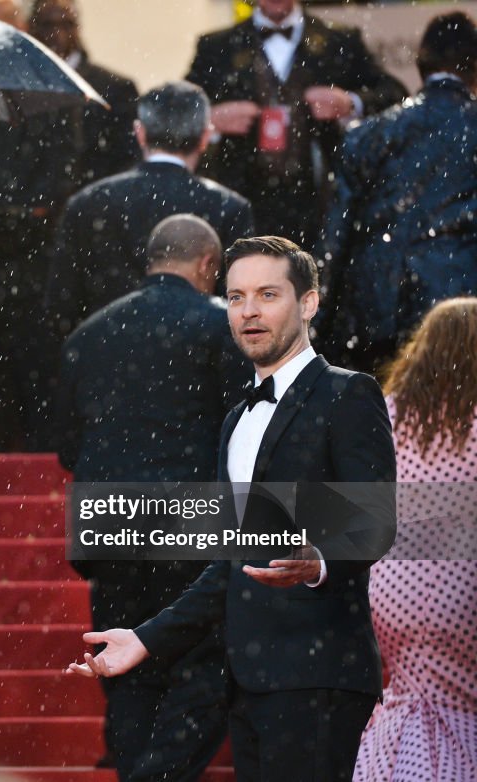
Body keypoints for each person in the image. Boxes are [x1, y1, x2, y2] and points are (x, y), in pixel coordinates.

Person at [70, 236, 397, 782]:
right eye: (237, 296)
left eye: (268, 294)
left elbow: (374, 519)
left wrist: (318, 559)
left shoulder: (348, 394)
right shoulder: (234, 422)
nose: (249, 310)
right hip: (247, 680)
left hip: (317, 677)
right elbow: (229, 565)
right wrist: (146, 638)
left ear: (308, 303)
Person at [55, 215, 249, 781]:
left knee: (124, 666)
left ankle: (138, 769)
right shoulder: (223, 327)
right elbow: (243, 433)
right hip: (190, 519)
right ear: (209, 266)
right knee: (206, 664)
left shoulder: (88, 333)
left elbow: (68, 444)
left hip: (108, 522)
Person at [353, 297, 477, 781]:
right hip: (463, 586)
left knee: (414, 698)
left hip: (393, 588)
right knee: (462, 711)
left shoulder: (387, 413)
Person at [317, 12, 477, 374]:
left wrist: (317, 326)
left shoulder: (368, 135)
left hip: (375, 309)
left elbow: (335, 238)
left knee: (375, 425)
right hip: (456, 312)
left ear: (421, 63)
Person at [45, 80, 255, 340]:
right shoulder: (228, 207)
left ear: (140, 133)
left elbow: (61, 306)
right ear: (204, 138)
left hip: (107, 357)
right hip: (194, 363)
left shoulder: (89, 202)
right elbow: (239, 305)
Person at [186, 0, 405, 246]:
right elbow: (178, 111)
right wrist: (210, 118)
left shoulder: (339, 40)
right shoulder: (217, 47)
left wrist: (351, 103)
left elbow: (395, 94)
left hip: (322, 202)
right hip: (242, 202)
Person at [28, 0, 141, 190]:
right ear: (33, 28)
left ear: (77, 27)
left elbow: (128, 155)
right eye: (47, 24)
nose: (57, 33)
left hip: (95, 203)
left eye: (66, 24)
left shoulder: (114, 88)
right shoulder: (20, 88)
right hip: (30, 208)